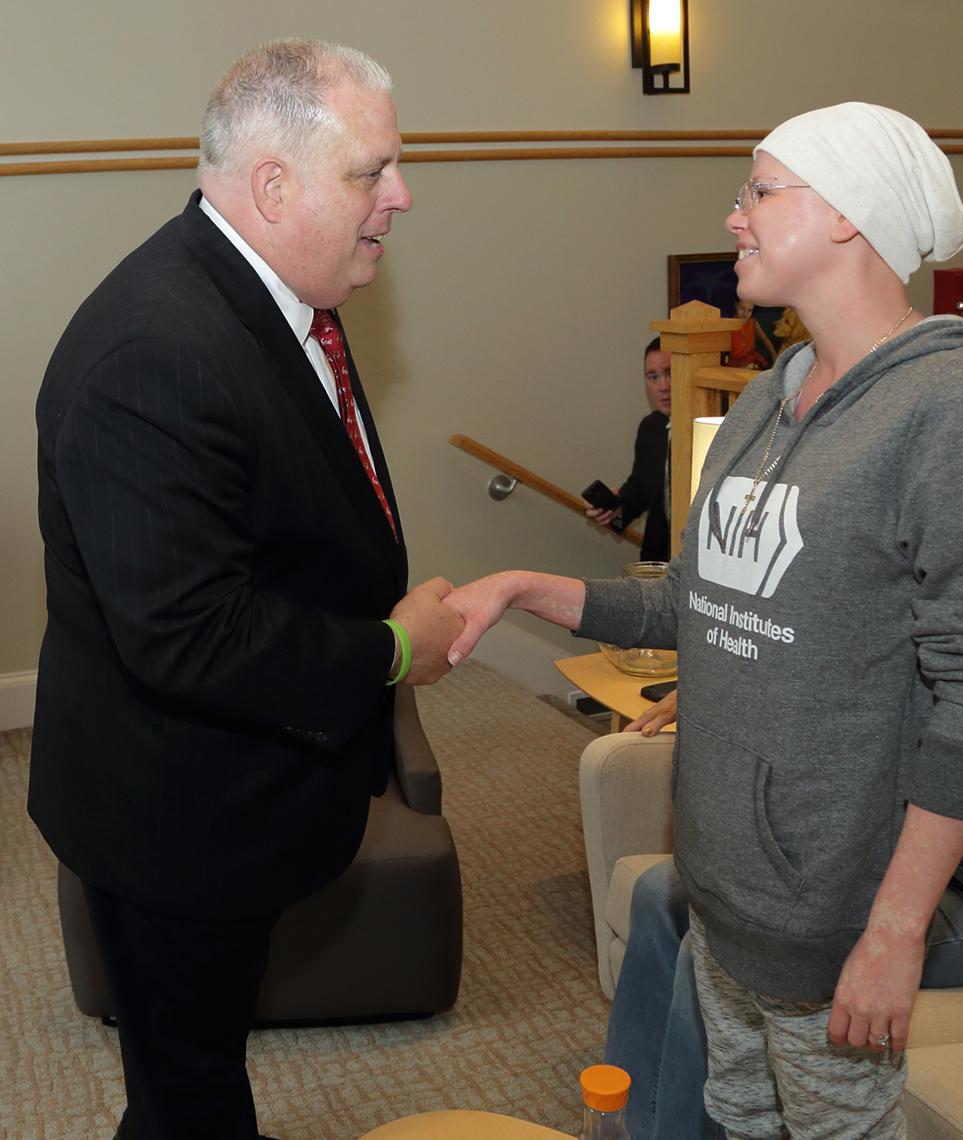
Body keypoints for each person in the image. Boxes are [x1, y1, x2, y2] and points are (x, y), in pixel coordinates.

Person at [443, 102, 963, 1138]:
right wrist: (524, 587)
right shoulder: (764, 403)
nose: (733, 217)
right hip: (727, 884)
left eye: (758, 190)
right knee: (732, 1116)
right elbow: (695, 603)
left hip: (833, 906)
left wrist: (895, 931)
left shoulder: (951, 405)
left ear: (844, 219)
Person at [30, 39, 462, 1140]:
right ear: (274, 186)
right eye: (373, 172)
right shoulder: (156, 351)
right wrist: (395, 649)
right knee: (186, 1098)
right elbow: (191, 638)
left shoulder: (280, 288)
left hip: (236, 792)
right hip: (173, 817)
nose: (400, 197)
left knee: (202, 1073)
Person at [608, 398, 963, 1139]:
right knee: (678, 892)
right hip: (881, 848)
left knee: (734, 937)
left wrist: (860, 811)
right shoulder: (932, 576)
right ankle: (634, 1120)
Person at [586, 337, 673, 561]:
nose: (663, 386)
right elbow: (641, 488)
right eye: (653, 377)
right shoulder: (651, 427)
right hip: (658, 562)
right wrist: (616, 510)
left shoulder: (718, 425)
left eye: (670, 373)